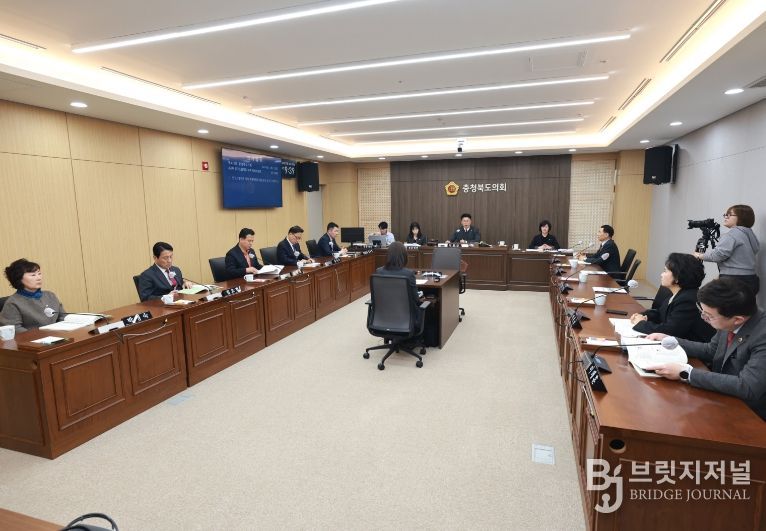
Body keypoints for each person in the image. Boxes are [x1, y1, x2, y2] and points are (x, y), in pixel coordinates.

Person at [646, 277, 766, 420]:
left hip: (749, 413)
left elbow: (747, 387)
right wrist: (671, 340)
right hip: (721, 395)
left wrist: (687, 373)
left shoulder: (762, 335)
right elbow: (712, 350)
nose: (704, 318)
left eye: (709, 316)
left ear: (737, 319)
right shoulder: (729, 318)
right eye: (702, 312)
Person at [630, 253, 715, 341]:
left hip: (691, 348)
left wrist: (641, 323)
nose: (661, 274)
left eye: (665, 271)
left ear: (677, 277)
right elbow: (661, 313)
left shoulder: (688, 300)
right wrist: (645, 315)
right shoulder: (679, 293)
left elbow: (669, 332)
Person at [694, 204, 760, 295]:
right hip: (751, 278)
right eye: (725, 214)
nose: (726, 217)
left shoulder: (732, 234)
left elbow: (718, 255)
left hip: (734, 281)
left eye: (729, 215)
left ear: (741, 217)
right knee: (747, 304)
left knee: (725, 304)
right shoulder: (749, 234)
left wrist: (698, 255)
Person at [0, 258, 66, 332]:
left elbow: (63, 317)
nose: (39, 278)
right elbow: (14, 328)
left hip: (57, 336)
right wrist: (40, 335)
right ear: (19, 279)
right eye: (33, 275)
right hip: (32, 338)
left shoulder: (50, 295)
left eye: (39, 273)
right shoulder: (13, 303)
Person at [375, 242, 421, 327]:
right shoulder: (408, 274)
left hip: (383, 316)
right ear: (404, 256)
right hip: (406, 319)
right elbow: (416, 300)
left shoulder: (379, 271)